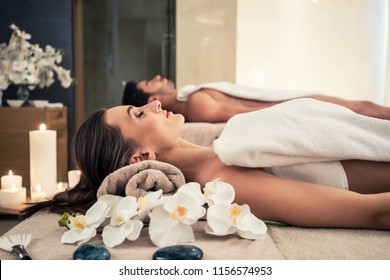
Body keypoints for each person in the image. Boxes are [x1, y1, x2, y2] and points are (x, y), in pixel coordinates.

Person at [20, 99, 390, 231]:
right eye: (138, 113)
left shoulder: (225, 146)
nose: (151, 104)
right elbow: (373, 214)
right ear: (142, 158)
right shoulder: (226, 177)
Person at [122, 75, 390, 122]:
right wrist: (304, 107)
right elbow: (250, 111)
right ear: (152, 98)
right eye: (150, 82)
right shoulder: (197, 104)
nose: (157, 76)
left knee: (366, 108)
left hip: (292, 100)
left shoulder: (191, 97)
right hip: (292, 104)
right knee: (365, 109)